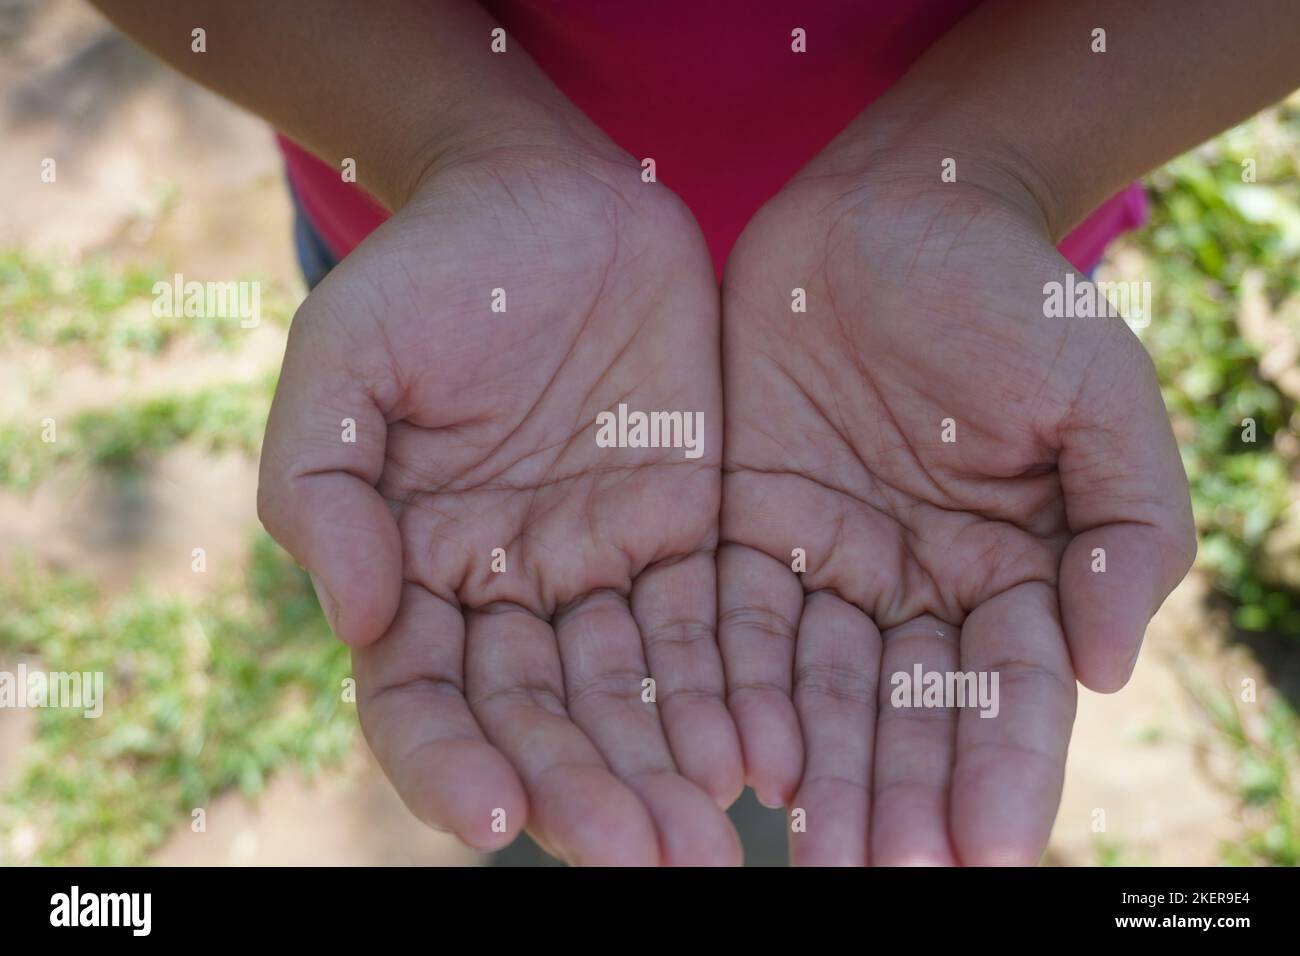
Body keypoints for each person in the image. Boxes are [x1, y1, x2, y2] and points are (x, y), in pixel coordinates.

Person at [91, 0, 1300, 866]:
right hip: (471, 332)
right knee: (553, 752)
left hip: (947, 360)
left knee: (797, 757)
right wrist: (463, 148)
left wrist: (983, 167)